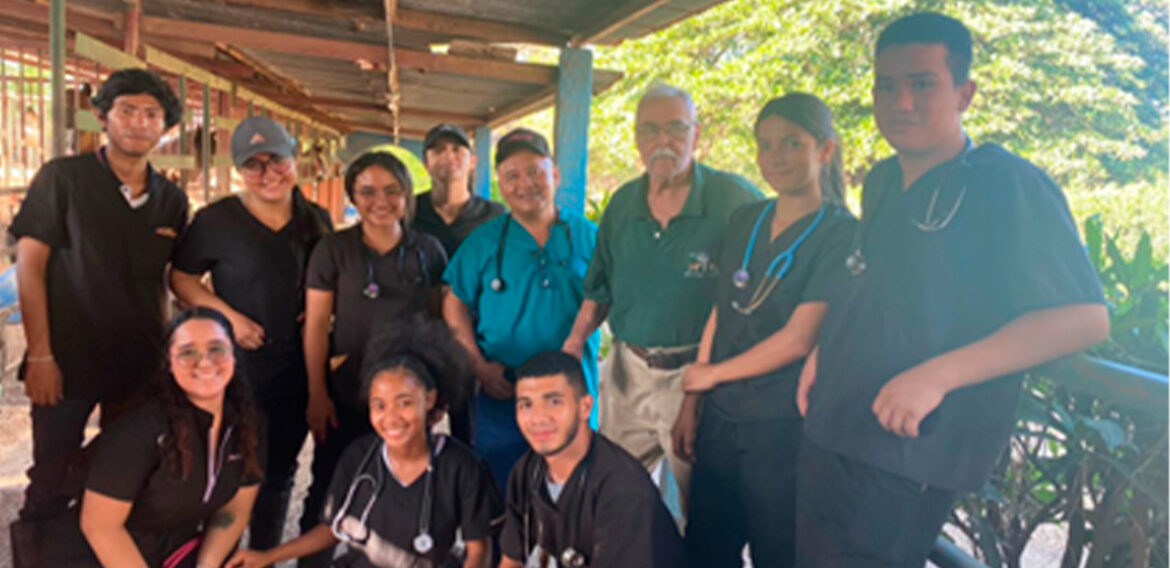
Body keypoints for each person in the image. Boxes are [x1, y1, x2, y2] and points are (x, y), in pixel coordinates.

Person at [795, 13, 1110, 567]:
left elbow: (1083, 317)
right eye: (886, 86)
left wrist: (939, 374)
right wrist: (825, 350)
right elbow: (873, 281)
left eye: (923, 84)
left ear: (965, 93)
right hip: (834, 427)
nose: (901, 102)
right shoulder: (885, 181)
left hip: (907, 451)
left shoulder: (1004, 183)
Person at [9, 68, 188, 563]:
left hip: (138, 365)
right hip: (66, 361)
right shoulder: (63, 178)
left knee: (124, 476)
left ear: (165, 127)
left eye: (151, 114)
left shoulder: (171, 200)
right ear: (103, 116)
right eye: (127, 110)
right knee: (50, 474)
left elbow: (167, 285)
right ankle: (35, 555)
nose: (138, 122)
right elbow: (30, 266)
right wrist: (40, 354)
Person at [673, 93, 855, 567]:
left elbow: (800, 338)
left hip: (782, 423)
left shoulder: (841, 233)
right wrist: (693, 401)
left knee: (778, 549)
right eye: (766, 144)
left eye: (792, 143)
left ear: (826, 150)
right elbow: (722, 310)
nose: (776, 157)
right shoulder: (746, 219)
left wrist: (711, 377)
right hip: (721, 417)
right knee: (707, 546)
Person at [563, 84, 761, 507]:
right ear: (636, 138)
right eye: (650, 130)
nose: (662, 141)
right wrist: (572, 347)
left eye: (675, 128)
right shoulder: (622, 204)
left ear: (696, 134)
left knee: (701, 504)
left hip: (697, 375)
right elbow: (599, 288)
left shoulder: (734, 199)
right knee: (610, 492)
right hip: (627, 371)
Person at [170, 116, 332, 550]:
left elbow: (330, 282)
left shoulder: (316, 220)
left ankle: (261, 555)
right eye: (253, 165)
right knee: (227, 468)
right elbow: (182, 278)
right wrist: (228, 319)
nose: (267, 174)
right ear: (239, 170)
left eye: (276, 160)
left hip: (298, 368)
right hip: (234, 372)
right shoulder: (216, 221)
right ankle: (210, 557)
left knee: (277, 472)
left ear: (295, 160)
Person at [228, 317, 500, 568]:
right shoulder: (359, 456)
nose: (390, 417)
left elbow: (478, 550)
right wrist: (268, 556)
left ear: (429, 399)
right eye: (379, 405)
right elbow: (333, 529)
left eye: (404, 402)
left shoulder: (462, 467)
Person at [302, 150, 448, 567]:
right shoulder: (333, 250)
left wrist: (438, 395)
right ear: (352, 195)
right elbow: (315, 326)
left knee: (409, 487)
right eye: (366, 191)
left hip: (409, 398)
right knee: (329, 486)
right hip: (347, 390)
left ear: (407, 196)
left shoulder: (429, 252)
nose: (379, 201)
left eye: (392, 191)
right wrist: (317, 394)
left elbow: (440, 326)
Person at [443, 128, 600, 492]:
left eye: (534, 172)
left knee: (572, 489)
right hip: (504, 392)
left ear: (555, 174)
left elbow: (608, 297)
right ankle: (505, 550)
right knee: (501, 488)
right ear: (500, 182)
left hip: (573, 390)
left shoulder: (588, 236)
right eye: (512, 176)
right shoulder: (484, 241)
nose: (524, 184)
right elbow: (454, 302)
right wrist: (478, 366)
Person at [79, 307, 264, 568]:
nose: (205, 362)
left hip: (176, 549)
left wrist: (207, 564)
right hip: (108, 555)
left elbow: (234, 510)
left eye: (217, 349)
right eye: (188, 352)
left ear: (234, 355)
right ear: (169, 362)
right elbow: (100, 527)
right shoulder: (140, 429)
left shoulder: (247, 424)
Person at [499, 351, 684, 568]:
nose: (539, 417)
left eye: (554, 402)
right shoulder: (526, 472)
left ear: (585, 407)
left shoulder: (623, 490)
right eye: (526, 405)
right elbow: (510, 561)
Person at [412, 123, 505, 447]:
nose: (448, 157)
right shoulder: (409, 212)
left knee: (472, 435)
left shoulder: (494, 216)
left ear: (473, 159)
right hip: (420, 339)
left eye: (457, 150)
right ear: (426, 161)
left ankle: (469, 493)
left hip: (473, 340)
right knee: (413, 430)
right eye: (438, 150)